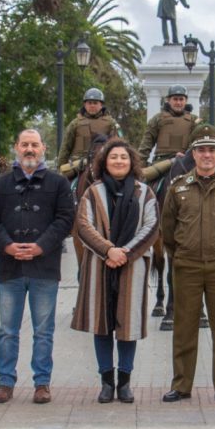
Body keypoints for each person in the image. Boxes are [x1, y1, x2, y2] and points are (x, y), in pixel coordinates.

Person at [0, 129, 75, 405]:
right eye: (25, 145)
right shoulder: (1, 184)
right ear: (16, 148)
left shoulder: (58, 183)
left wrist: (41, 246)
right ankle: (5, 382)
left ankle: (42, 383)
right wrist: (7, 245)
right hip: (10, 268)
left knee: (43, 331)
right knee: (7, 330)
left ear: (43, 148)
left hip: (44, 268)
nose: (30, 149)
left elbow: (65, 219)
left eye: (34, 145)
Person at [71, 139, 159, 403]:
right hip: (99, 266)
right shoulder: (92, 192)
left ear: (132, 162)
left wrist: (126, 253)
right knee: (102, 324)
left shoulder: (145, 193)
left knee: (128, 324)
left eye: (124, 157)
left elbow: (151, 226)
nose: (119, 161)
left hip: (132, 268)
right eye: (113, 157)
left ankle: (125, 382)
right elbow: (84, 226)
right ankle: (107, 382)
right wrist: (109, 251)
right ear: (104, 162)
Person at [161, 124, 215, 403]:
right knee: (184, 327)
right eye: (201, 150)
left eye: (212, 150)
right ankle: (181, 385)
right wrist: (184, 252)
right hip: (186, 265)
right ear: (193, 155)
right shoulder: (177, 188)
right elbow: (167, 230)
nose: (207, 155)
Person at [137, 85, 201, 166]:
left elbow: (197, 141)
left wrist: (187, 154)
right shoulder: (158, 118)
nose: (178, 102)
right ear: (168, 100)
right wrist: (139, 165)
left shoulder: (194, 120)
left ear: (186, 100)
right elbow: (146, 144)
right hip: (161, 162)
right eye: (175, 99)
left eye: (181, 99)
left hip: (185, 161)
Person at [57, 88, 122, 167]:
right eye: (89, 103)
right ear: (85, 105)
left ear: (101, 105)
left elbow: (119, 146)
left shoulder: (111, 123)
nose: (92, 105)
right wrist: (60, 167)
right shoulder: (75, 124)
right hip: (78, 166)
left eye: (95, 103)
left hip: (102, 165)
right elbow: (65, 148)